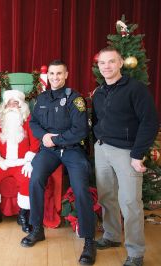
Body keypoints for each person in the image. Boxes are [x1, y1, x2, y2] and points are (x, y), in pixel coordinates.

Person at [22, 60, 97, 265]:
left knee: (81, 188)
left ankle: (89, 241)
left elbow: (80, 130)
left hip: (72, 150)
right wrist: (45, 137)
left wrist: (54, 139)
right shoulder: (42, 99)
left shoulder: (75, 99)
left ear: (66, 75)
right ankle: (37, 229)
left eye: (59, 74)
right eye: (52, 74)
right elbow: (33, 123)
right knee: (35, 178)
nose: (55, 77)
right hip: (50, 151)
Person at [92, 47, 159, 266]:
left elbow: (150, 122)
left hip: (127, 153)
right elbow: (97, 120)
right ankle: (111, 236)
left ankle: (136, 253)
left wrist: (138, 154)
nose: (107, 66)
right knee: (107, 197)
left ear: (121, 63)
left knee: (130, 202)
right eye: (103, 63)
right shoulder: (100, 91)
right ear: (98, 66)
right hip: (102, 149)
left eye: (111, 62)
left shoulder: (136, 89)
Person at [0, 90, 40, 232]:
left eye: (16, 103)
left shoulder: (28, 121)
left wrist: (30, 161)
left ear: (22, 106)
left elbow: (35, 142)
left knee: (28, 178)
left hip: (21, 162)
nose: (12, 106)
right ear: (4, 106)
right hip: (2, 162)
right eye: (9, 103)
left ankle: (23, 215)